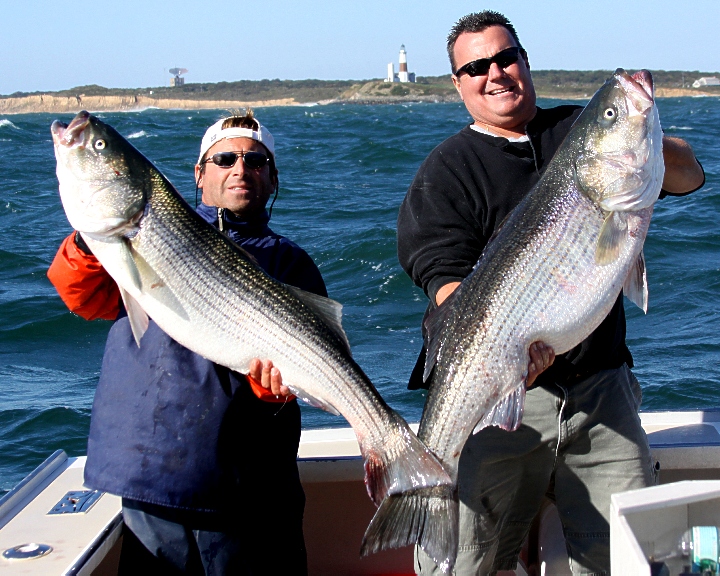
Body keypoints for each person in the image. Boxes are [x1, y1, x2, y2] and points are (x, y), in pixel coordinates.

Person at [397, 11, 705, 576]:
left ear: (525, 59)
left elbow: (689, 177)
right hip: (498, 399)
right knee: (464, 563)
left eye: (506, 57)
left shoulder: (578, 130)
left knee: (637, 558)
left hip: (601, 391)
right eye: (477, 66)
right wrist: (506, 361)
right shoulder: (444, 173)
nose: (496, 73)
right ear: (458, 83)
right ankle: (433, 487)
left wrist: (643, 132)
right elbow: (448, 291)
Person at [48, 110, 326, 575]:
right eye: (225, 159)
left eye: (255, 162)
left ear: (272, 179)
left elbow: (300, 376)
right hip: (152, 476)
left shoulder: (290, 263)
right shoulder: (135, 234)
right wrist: (89, 238)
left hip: (248, 486)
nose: (240, 169)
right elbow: (82, 296)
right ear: (199, 174)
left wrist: (273, 390)